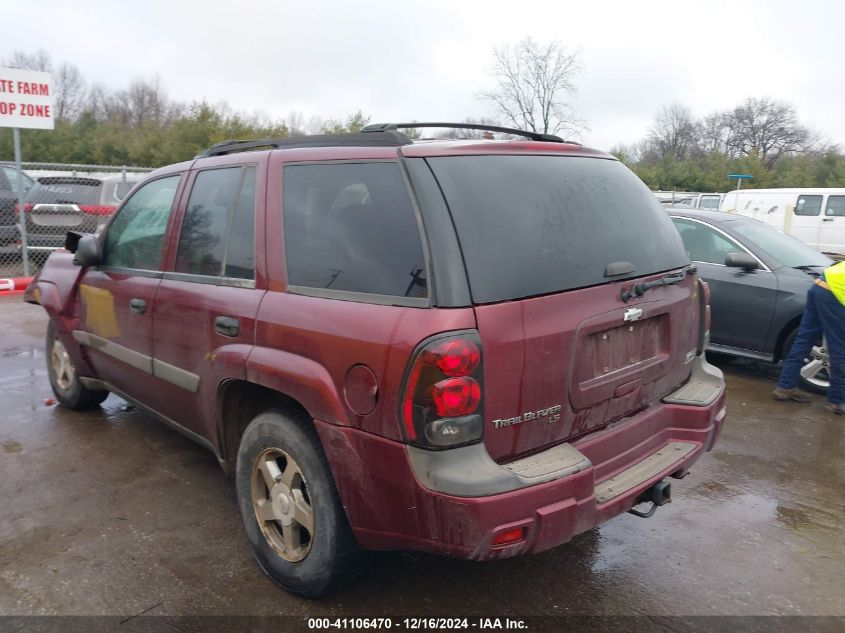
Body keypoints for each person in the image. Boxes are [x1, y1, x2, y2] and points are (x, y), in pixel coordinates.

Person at [773, 261, 845, 414]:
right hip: (835, 293)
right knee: (839, 348)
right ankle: (838, 401)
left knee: (804, 340)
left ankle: (785, 387)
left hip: (820, 285)